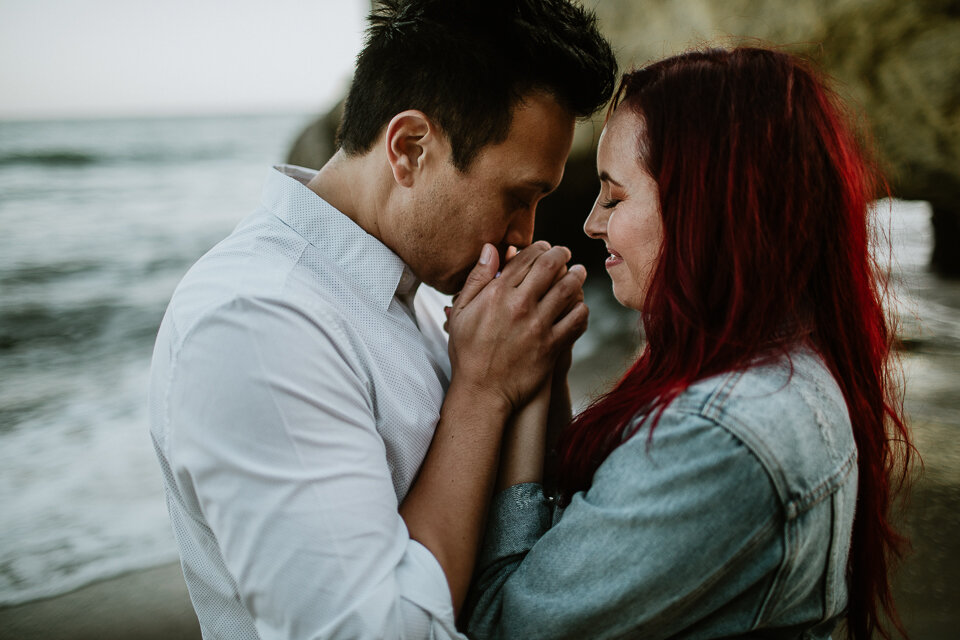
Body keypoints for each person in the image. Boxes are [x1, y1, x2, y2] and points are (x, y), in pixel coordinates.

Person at [147, 1, 616, 638]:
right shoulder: (255, 321)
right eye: (517, 197)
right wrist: (481, 390)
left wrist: (539, 368)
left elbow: (524, 534)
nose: (524, 234)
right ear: (409, 148)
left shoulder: (409, 294)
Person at [460, 47, 914, 639]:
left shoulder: (719, 437)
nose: (591, 223)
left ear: (703, 207)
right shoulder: (784, 368)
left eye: (615, 197)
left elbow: (503, 623)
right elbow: (580, 544)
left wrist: (498, 388)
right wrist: (542, 370)